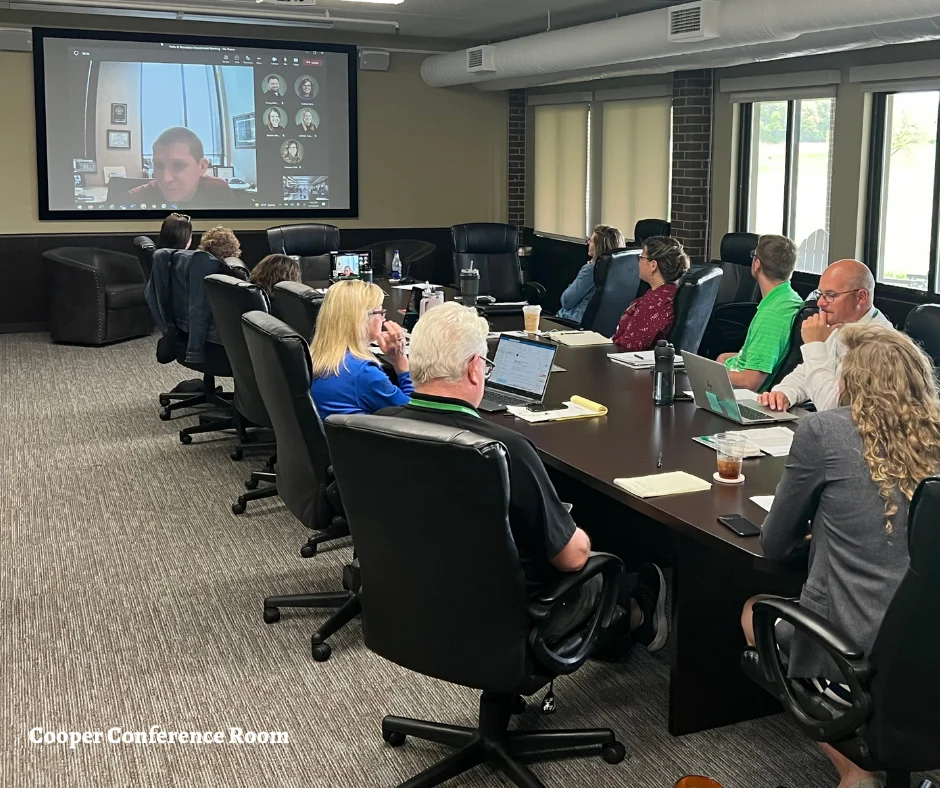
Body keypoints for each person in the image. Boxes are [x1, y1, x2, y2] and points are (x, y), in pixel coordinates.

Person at [377, 302, 668, 652]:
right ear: (474, 369)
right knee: (596, 561)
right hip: (507, 612)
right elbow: (573, 557)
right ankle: (636, 616)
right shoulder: (504, 449)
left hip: (415, 594)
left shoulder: (378, 426)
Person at [741, 323, 940, 788]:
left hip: (860, 652)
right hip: (930, 649)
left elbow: (775, 544)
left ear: (850, 381)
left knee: (754, 613)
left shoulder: (826, 431)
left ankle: (856, 773)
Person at [757, 259, 893, 412]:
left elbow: (832, 409)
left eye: (831, 295)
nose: (820, 303)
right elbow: (808, 371)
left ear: (861, 297)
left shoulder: (878, 344)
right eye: (820, 294)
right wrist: (784, 392)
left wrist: (814, 346)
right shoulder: (844, 323)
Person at [309, 280, 413, 418]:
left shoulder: (314, 358)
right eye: (379, 312)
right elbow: (411, 413)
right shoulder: (364, 373)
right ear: (361, 319)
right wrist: (400, 360)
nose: (383, 319)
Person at [717, 234, 804, 392]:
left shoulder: (772, 316)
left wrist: (712, 374)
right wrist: (723, 360)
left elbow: (750, 382)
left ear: (757, 264)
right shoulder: (787, 298)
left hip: (738, 395)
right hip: (732, 375)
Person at [125, 128, 248, 208]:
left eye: (178, 165)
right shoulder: (135, 199)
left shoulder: (218, 190)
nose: (165, 179)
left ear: (202, 167)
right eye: (159, 166)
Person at [611, 236, 689, 351]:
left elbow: (631, 346)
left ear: (653, 265)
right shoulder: (668, 291)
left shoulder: (655, 302)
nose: (638, 261)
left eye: (641, 257)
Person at [556, 225, 626, 323]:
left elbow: (566, 301)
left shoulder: (591, 270)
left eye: (591, 241)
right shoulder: (624, 269)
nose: (588, 242)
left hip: (574, 322)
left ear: (599, 246)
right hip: (607, 324)